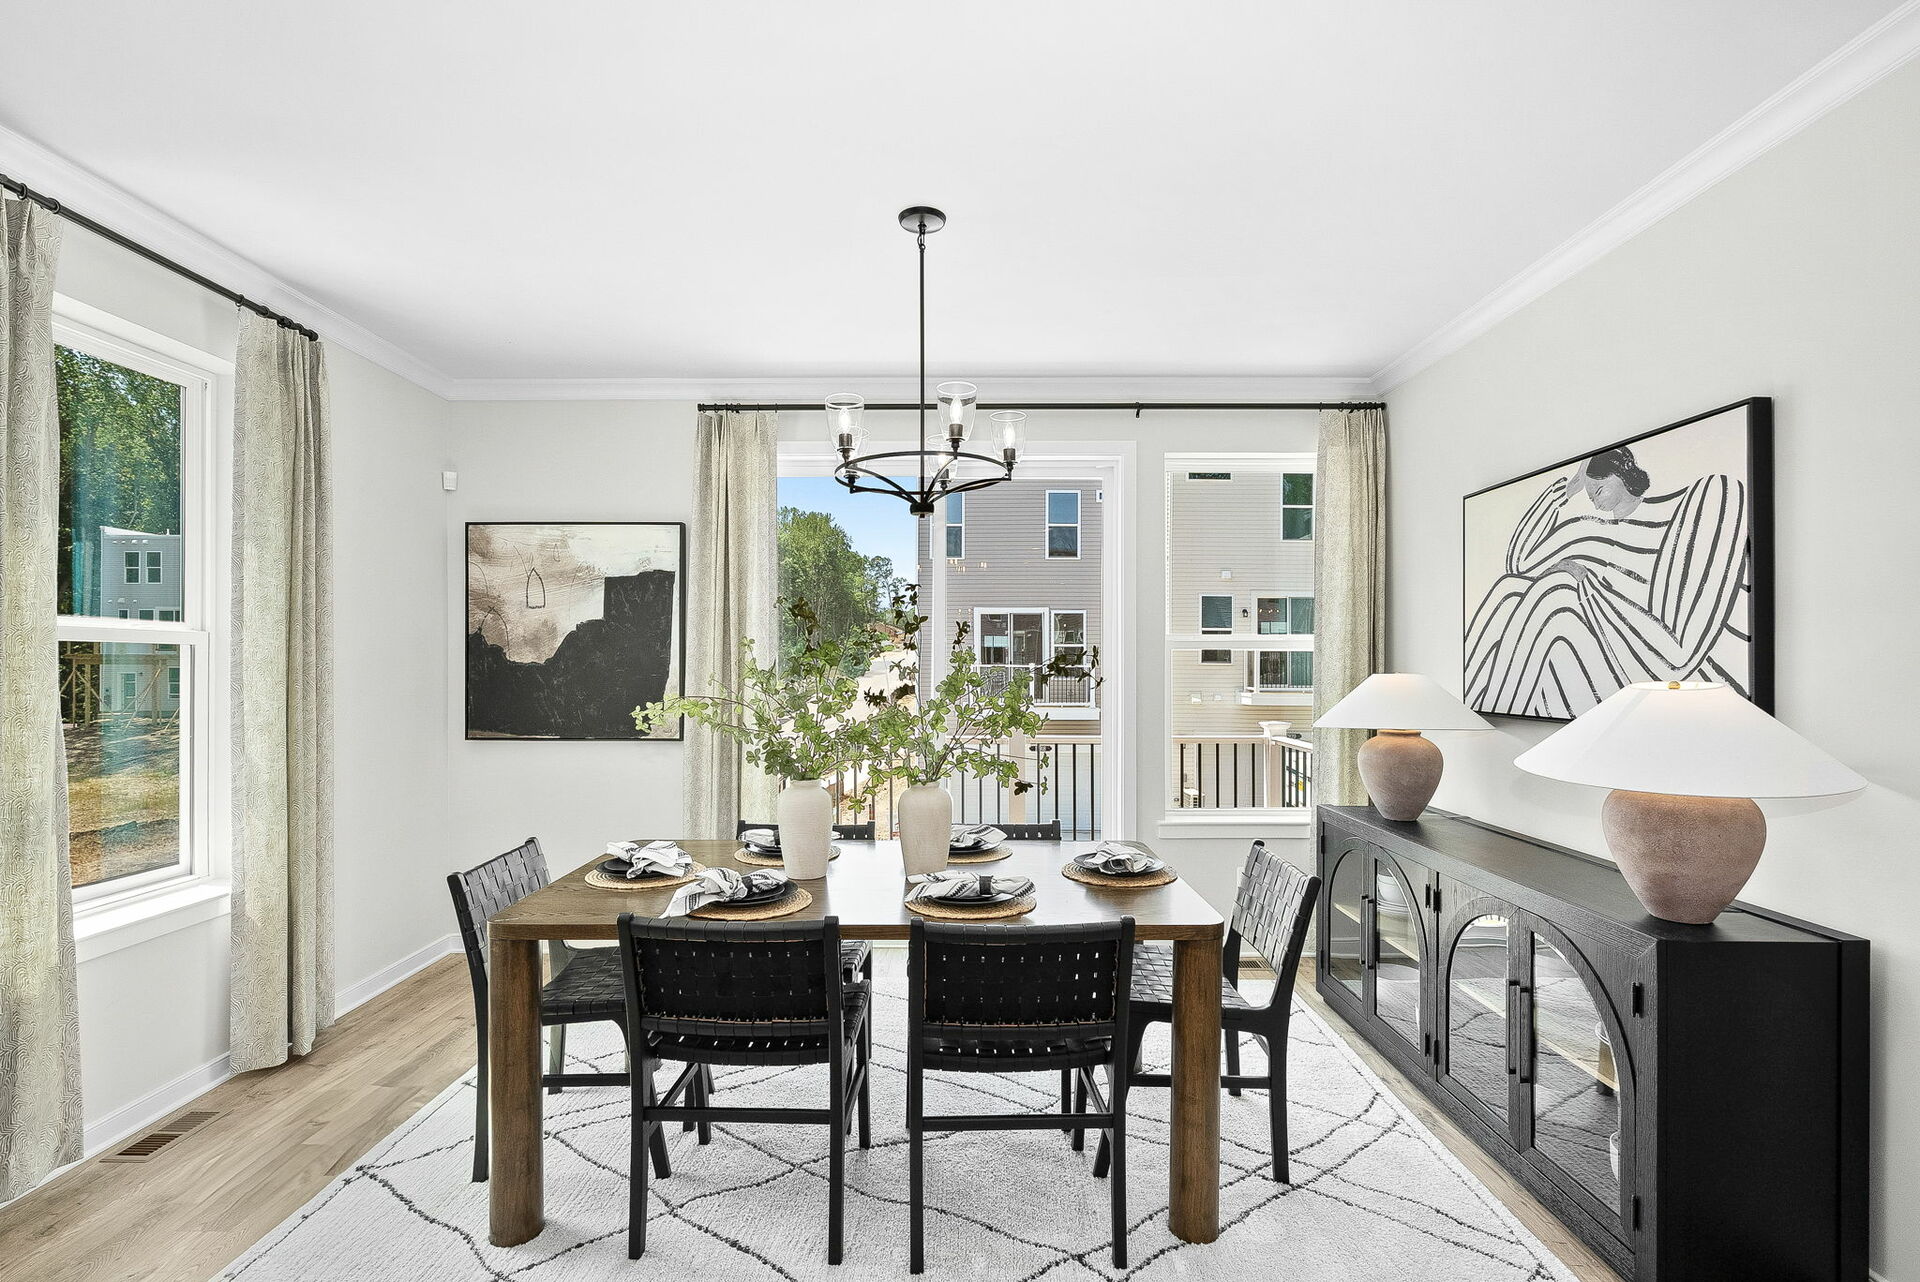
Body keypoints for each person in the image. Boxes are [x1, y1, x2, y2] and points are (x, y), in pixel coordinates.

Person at [1465, 446, 1751, 719]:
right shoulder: (1592, 530)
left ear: (1622, 474)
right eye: (1591, 497)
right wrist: (1568, 488)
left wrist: (1586, 584)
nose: (1596, 502)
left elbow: (1675, 659)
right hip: (1610, 657)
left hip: (1667, 675)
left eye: (1599, 490)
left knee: (1556, 593)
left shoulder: (1692, 507)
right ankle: (1475, 714)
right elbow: (1518, 564)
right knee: (1510, 590)